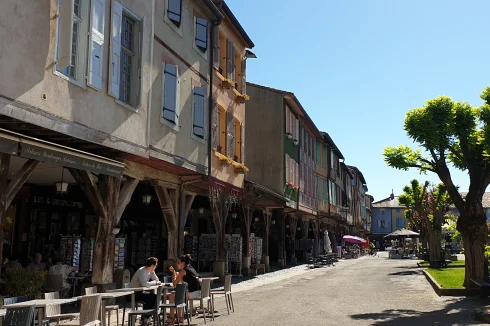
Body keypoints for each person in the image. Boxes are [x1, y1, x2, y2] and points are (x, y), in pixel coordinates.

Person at [166, 254, 201, 324]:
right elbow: (182, 281)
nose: (177, 264)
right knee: (179, 294)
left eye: (178, 262)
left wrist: (173, 273)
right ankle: (179, 318)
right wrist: (176, 274)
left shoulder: (183, 271)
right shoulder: (190, 268)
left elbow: (175, 283)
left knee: (171, 296)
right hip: (198, 292)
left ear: (183, 263)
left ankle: (172, 318)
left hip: (193, 293)